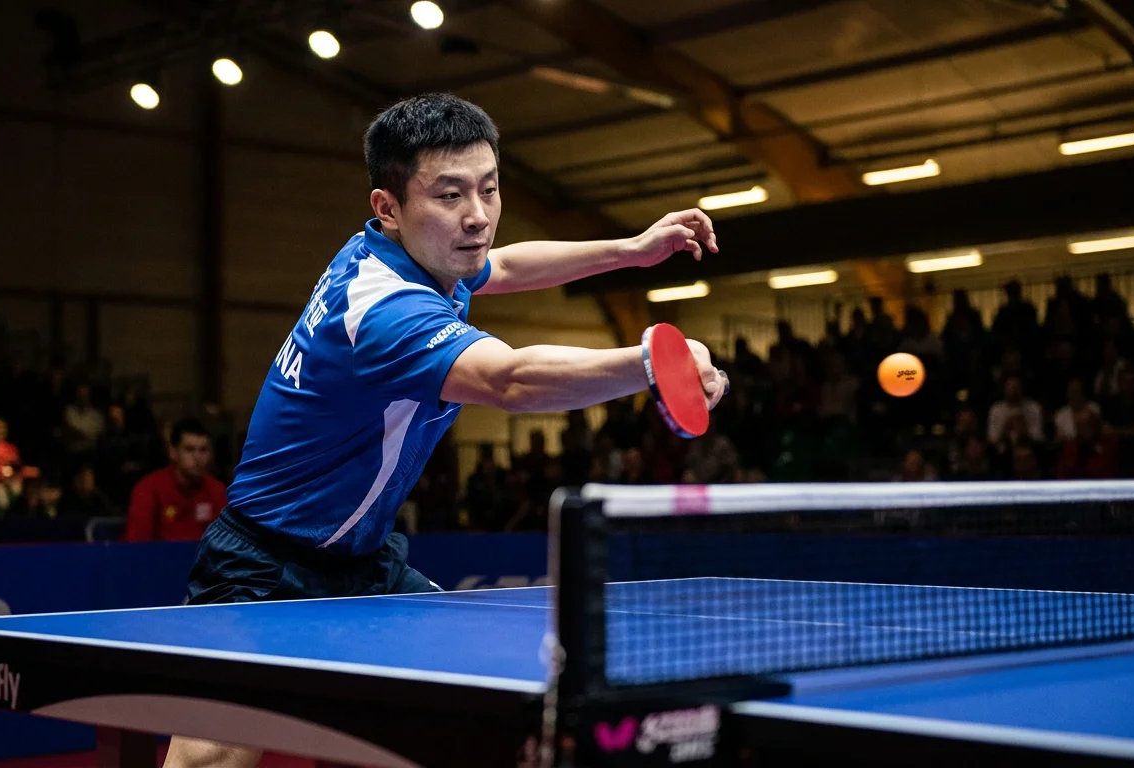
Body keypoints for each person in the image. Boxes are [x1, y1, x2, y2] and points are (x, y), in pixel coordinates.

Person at [163, 93, 727, 768]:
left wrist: (629, 251)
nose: (479, 217)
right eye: (450, 195)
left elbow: (508, 266)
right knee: (214, 757)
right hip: (260, 563)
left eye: (489, 189)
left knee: (465, 712)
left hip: (362, 564)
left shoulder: (427, 257)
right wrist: (647, 364)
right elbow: (508, 379)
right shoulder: (381, 309)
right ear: (389, 208)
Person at [124, 418, 226, 542]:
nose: (198, 458)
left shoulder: (217, 491)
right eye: (189, 449)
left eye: (203, 450)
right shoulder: (148, 489)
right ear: (172, 452)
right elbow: (136, 545)